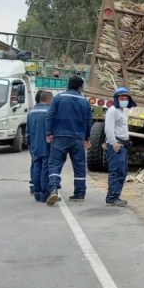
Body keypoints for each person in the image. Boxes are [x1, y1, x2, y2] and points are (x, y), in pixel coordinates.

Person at [45, 75, 93, 206]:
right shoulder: (85, 102)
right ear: (80, 87)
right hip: (77, 139)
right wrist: (87, 138)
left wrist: (49, 133)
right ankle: (79, 193)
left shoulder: (59, 98)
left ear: (68, 85)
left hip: (60, 137)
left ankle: (53, 188)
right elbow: (89, 122)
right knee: (79, 166)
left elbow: (50, 115)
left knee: (55, 164)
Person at [104, 87, 135, 207]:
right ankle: (112, 197)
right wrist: (114, 143)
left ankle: (115, 195)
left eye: (126, 98)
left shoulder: (122, 111)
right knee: (116, 171)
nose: (124, 100)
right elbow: (108, 129)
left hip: (123, 145)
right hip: (117, 145)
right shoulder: (113, 111)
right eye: (122, 98)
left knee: (122, 172)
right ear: (116, 99)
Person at [27, 90, 53, 202]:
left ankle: (37, 193)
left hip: (34, 145)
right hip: (46, 145)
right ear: (48, 100)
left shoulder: (31, 113)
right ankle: (44, 193)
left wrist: (30, 145)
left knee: (36, 167)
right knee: (45, 169)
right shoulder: (49, 112)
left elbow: (27, 133)